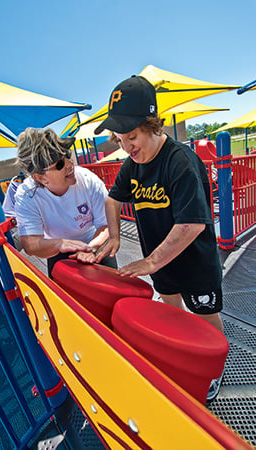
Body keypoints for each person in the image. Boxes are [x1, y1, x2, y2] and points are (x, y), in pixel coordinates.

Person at [94, 75, 224, 401]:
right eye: (119, 139)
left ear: (153, 125)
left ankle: (213, 370)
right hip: (161, 262)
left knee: (206, 318)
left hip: (195, 262)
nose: (126, 146)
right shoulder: (131, 165)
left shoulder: (180, 161)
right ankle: (182, 360)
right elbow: (112, 199)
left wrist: (150, 261)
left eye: (132, 136)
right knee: (172, 314)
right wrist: (114, 236)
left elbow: (191, 224)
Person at [14, 127, 117, 277]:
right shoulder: (27, 195)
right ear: (41, 178)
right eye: (60, 165)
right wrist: (60, 244)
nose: (70, 164)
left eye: (67, 156)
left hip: (95, 240)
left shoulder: (87, 180)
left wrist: (90, 248)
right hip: (56, 249)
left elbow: (106, 224)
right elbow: (30, 244)